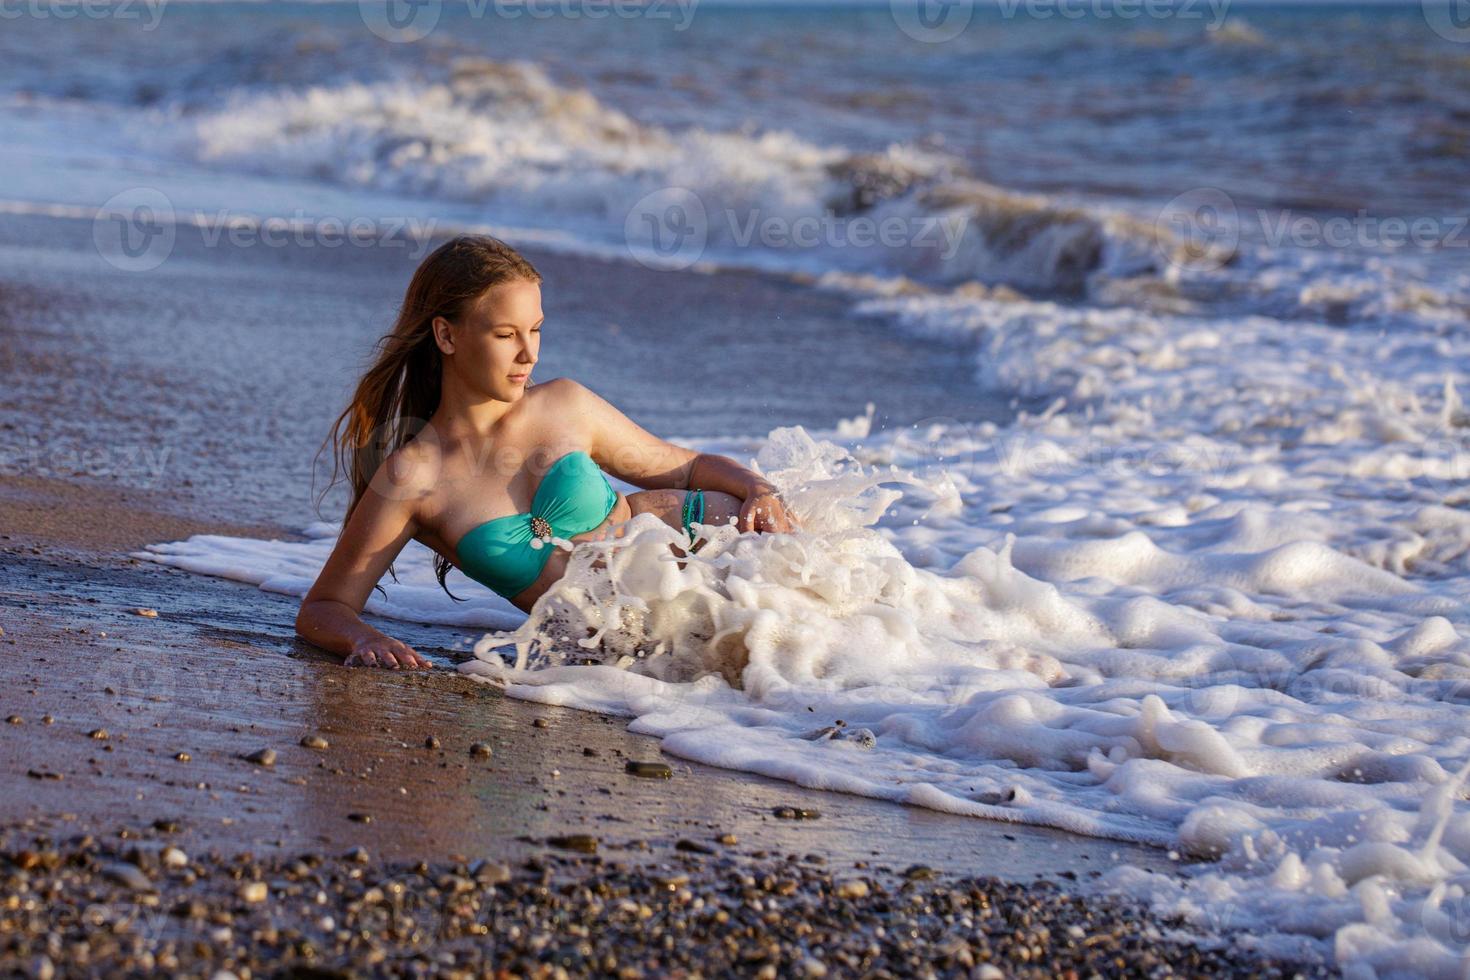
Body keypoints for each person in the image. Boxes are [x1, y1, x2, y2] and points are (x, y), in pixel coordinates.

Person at [295, 234, 800, 669]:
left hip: (739, 561)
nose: (529, 353)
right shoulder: (415, 477)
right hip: (644, 648)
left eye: (535, 330)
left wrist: (758, 488)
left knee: (831, 646)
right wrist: (365, 637)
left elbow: (690, 467)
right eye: (505, 334)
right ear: (446, 335)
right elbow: (325, 606)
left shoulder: (563, 405)